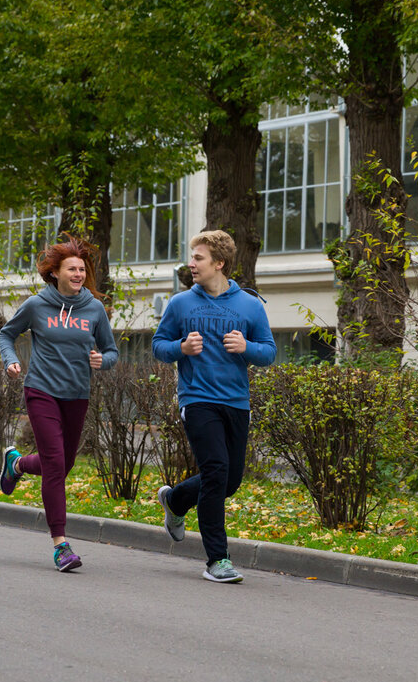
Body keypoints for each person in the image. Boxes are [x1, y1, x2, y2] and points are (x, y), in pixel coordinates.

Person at [151, 229, 276, 583]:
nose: (192, 264)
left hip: (236, 402)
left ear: (219, 263)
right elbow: (159, 345)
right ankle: (217, 560)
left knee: (228, 480)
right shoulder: (180, 304)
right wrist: (181, 349)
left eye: (199, 258)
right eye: (192, 257)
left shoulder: (250, 305)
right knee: (217, 469)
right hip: (197, 399)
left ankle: (176, 501)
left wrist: (246, 347)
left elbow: (268, 352)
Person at [0, 238, 118, 572]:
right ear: (55, 272)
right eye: (72, 269)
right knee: (55, 465)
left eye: (82, 269)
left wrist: (101, 361)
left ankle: (17, 465)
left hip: (77, 394)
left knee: (62, 465)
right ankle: (60, 545)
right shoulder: (37, 305)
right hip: (41, 390)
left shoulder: (93, 309)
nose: (79, 274)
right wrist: (10, 361)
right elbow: (7, 334)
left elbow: (111, 351)